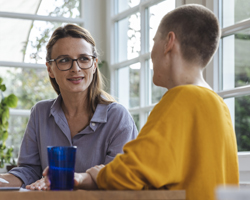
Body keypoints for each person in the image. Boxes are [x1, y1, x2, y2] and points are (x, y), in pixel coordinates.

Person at [44, 4, 239, 200]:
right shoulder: (217, 104)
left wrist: (86, 176)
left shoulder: (181, 99)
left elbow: (130, 173)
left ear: (169, 42)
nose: (151, 53)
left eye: (154, 41)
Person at [0, 24, 138, 189]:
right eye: (64, 60)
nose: (76, 68)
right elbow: (28, 171)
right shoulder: (40, 113)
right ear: (50, 69)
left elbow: (117, 179)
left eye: (84, 59)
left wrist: (69, 179)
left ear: (94, 65)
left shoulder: (118, 117)